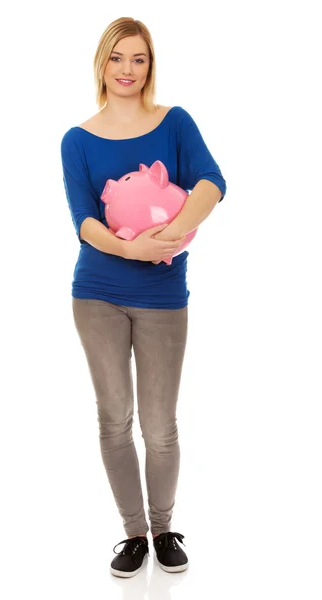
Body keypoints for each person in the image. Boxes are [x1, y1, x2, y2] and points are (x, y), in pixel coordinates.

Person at [60, 17, 227, 578]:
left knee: (160, 426)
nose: (127, 70)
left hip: (163, 296)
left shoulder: (174, 123)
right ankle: (132, 534)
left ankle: (163, 527)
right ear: (101, 63)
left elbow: (211, 182)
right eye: (117, 58)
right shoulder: (77, 140)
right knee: (114, 421)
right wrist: (131, 251)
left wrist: (167, 235)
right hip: (97, 294)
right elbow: (83, 220)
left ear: (149, 65)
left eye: (138, 59)